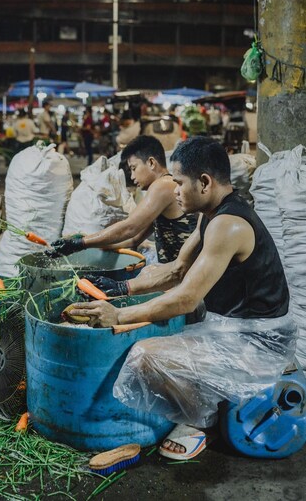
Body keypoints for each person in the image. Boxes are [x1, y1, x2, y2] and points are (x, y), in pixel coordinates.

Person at [65, 136, 297, 461]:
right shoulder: (209, 214)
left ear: (204, 182)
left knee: (146, 355)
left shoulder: (229, 225)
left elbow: (187, 297)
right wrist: (121, 290)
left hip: (257, 341)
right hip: (231, 326)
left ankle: (201, 424)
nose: (173, 191)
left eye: (178, 183)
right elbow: (176, 271)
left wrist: (117, 316)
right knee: (162, 331)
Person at [46, 135, 197, 263]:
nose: (132, 176)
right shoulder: (164, 187)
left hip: (181, 274)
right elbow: (133, 240)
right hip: (173, 270)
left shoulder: (163, 185)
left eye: (133, 168)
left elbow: (130, 227)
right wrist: (93, 245)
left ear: (151, 163)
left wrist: (80, 243)